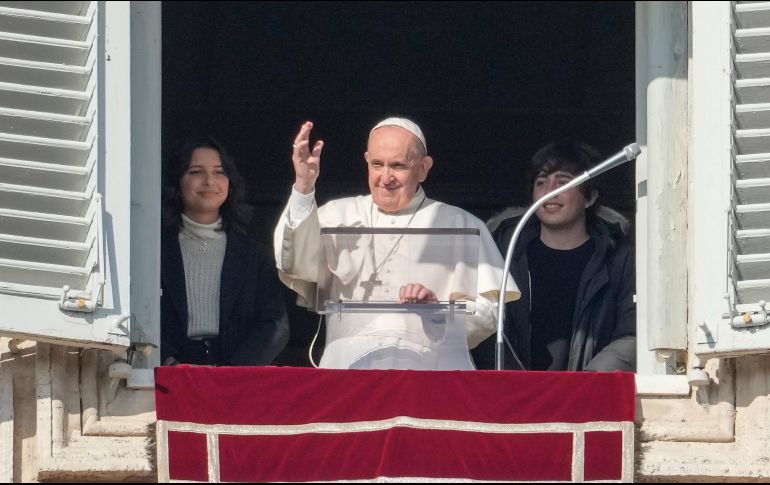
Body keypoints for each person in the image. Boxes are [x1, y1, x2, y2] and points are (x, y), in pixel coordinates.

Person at [273, 117, 518, 369]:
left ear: (423, 168)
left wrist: (440, 312)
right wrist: (303, 188)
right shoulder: (337, 216)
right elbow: (295, 263)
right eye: (377, 164)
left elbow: (489, 311)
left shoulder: (460, 224)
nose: (386, 177)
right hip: (348, 368)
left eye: (398, 165)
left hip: (431, 370)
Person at [473, 139, 636, 371]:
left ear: (590, 197)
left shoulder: (618, 259)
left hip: (589, 390)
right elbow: (479, 325)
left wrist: (588, 381)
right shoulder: (503, 254)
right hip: (513, 391)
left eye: (563, 182)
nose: (550, 192)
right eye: (541, 182)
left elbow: (631, 333)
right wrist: (514, 382)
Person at [161, 138, 289, 366]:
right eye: (196, 172)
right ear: (177, 182)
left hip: (237, 374)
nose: (209, 181)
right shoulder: (154, 251)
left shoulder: (254, 256)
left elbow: (275, 325)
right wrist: (168, 362)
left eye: (219, 172)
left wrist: (233, 372)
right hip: (167, 372)